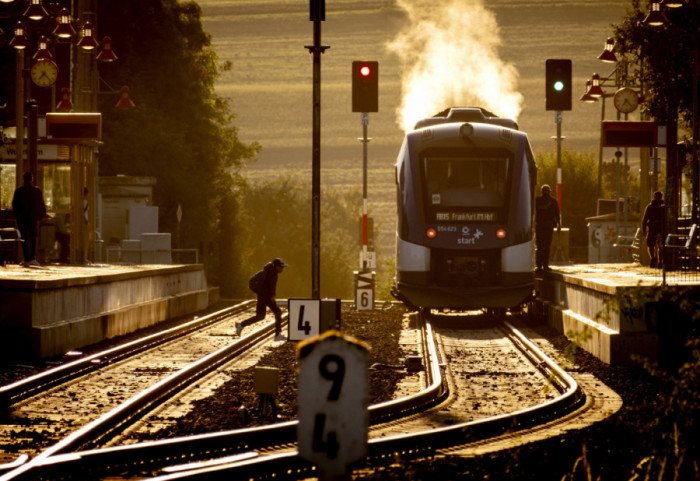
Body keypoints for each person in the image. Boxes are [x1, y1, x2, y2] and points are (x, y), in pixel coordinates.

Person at [236, 258, 288, 341]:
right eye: (281, 267)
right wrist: (269, 294)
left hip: (264, 297)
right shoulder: (270, 273)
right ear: (277, 266)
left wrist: (262, 293)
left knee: (260, 316)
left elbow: (270, 286)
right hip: (266, 297)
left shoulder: (270, 272)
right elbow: (270, 286)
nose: (282, 269)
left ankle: (241, 324)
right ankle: (277, 335)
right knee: (277, 313)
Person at [12, 172, 47, 267]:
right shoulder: (37, 191)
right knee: (33, 237)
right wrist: (41, 215)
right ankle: (32, 257)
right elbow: (41, 204)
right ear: (32, 179)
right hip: (33, 218)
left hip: (22, 218)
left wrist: (17, 216)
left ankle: (26, 258)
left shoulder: (18, 191)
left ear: (23, 179)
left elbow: (14, 205)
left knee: (24, 238)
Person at [535, 184, 561, 273]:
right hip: (548, 225)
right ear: (550, 191)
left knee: (539, 246)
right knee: (547, 246)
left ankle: (539, 266)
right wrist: (559, 225)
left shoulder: (537, 200)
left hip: (539, 226)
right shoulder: (553, 201)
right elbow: (557, 214)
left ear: (541, 191)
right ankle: (545, 266)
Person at [642, 191, 665, 268]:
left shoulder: (664, 207)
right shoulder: (650, 207)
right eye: (655, 197)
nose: (656, 198)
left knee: (660, 246)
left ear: (660, 197)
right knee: (650, 245)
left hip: (660, 228)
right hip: (652, 228)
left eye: (657, 197)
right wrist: (644, 228)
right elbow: (645, 218)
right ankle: (653, 259)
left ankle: (660, 261)